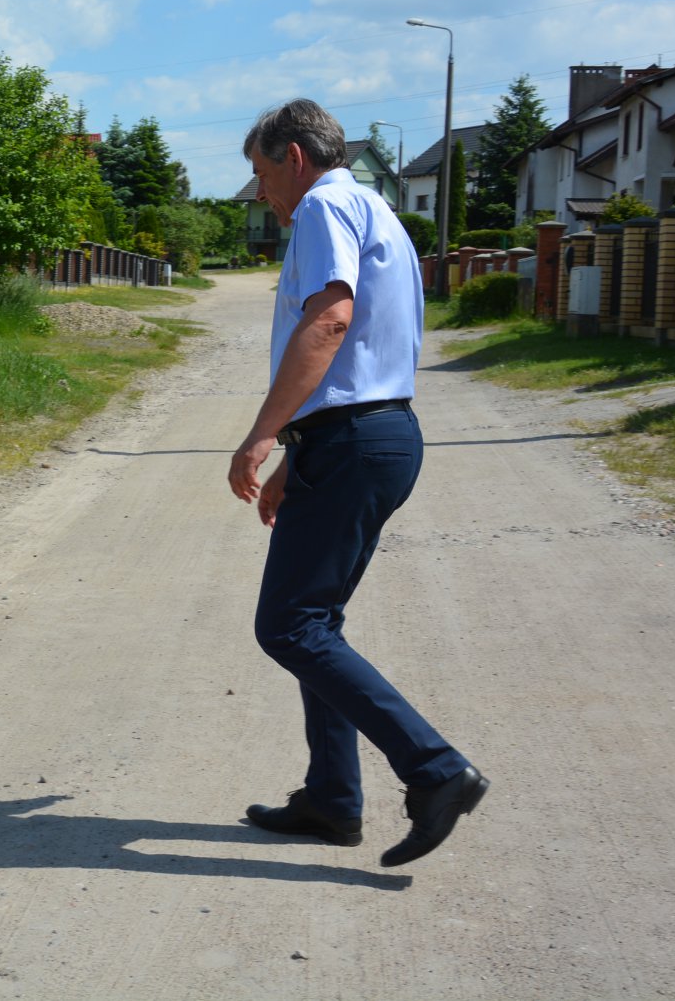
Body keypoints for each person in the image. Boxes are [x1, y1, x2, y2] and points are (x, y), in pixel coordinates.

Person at [227, 98, 487, 868]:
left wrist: (264, 432)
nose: (262, 192)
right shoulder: (375, 209)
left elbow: (332, 321)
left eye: (262, 173)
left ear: (294, 158)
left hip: (353, 441)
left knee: (290, 627)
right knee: (315, 623)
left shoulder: (321, 208)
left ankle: (435, 770)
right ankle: (333, 799)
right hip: (370, 436)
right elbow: (360, 348)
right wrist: (295, 455)